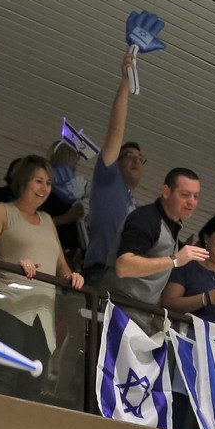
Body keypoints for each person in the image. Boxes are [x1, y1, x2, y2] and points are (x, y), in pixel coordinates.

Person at [0, 155, 84, 399]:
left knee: (34, 380)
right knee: (5, 375)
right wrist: (14, 265)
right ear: (23, 181)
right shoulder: (2, 210)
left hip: (42, 312)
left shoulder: (47, 220)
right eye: (38, 181)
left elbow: (61, 266)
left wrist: (73, 276)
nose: (44, 188)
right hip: (8, 303)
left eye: (48, 183)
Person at [83, 50, 143, 284]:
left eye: (140, 158)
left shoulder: (134, 203)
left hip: (124, 278)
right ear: (116, 160)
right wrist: (125, 83)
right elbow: (116, 130)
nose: (136, 161)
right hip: (99, 271)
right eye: (129, 156)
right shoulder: (108, 178)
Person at [109, 168, 207, 306]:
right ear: (166, 191)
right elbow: (123, 266)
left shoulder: (173, 225)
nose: (191, 202)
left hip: (141, 309)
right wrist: (175, 260)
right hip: (117, 305)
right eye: (185, 195)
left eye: (196, 196)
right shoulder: (146, 219)